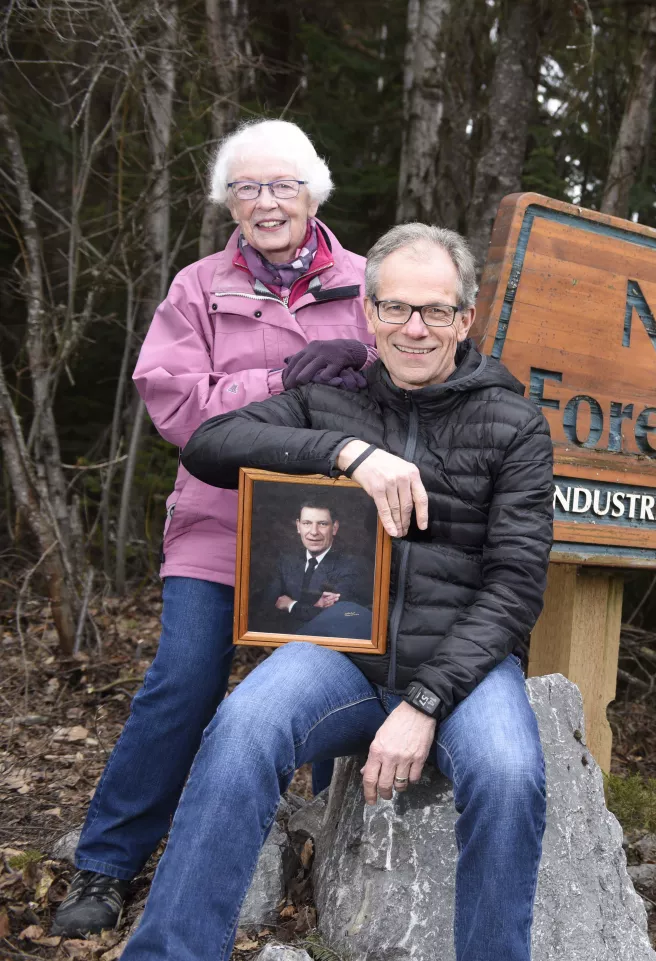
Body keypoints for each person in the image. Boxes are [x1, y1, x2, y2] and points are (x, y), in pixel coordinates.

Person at [119, 223, 554, 961]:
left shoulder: (514, 423)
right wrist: (349, 453)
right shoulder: (331, 400)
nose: (414, 329)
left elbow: (515, 586)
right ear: (368, 313)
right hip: (341, 657)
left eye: (435, 311)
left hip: (460, 669)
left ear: (465, 319)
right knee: (244, 723)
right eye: (395, 308)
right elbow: (208, 444)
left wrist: (425, 703)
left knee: (511, 774)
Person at [53, 119, 377, 938]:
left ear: (314, 193)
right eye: (247, 188)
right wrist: (282, 382)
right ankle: (108, 860)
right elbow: (172, 400)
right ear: (227, 201)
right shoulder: (197, 287)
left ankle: (324, 842)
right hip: (218, 521)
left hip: (341, 528)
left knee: (336, 680)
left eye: (282, 186)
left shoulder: (372, 282)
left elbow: (412, 387)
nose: (266, 203)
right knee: (186, 676)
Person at [252, 499, 373, 638]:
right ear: (298, 526)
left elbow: (340, 618)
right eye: (307, 523)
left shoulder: (352, 566)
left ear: (334, 527)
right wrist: (314, 606)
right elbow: (264, 610)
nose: (314, 532)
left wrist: (291, 605)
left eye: (322, 524)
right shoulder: (286, 561)